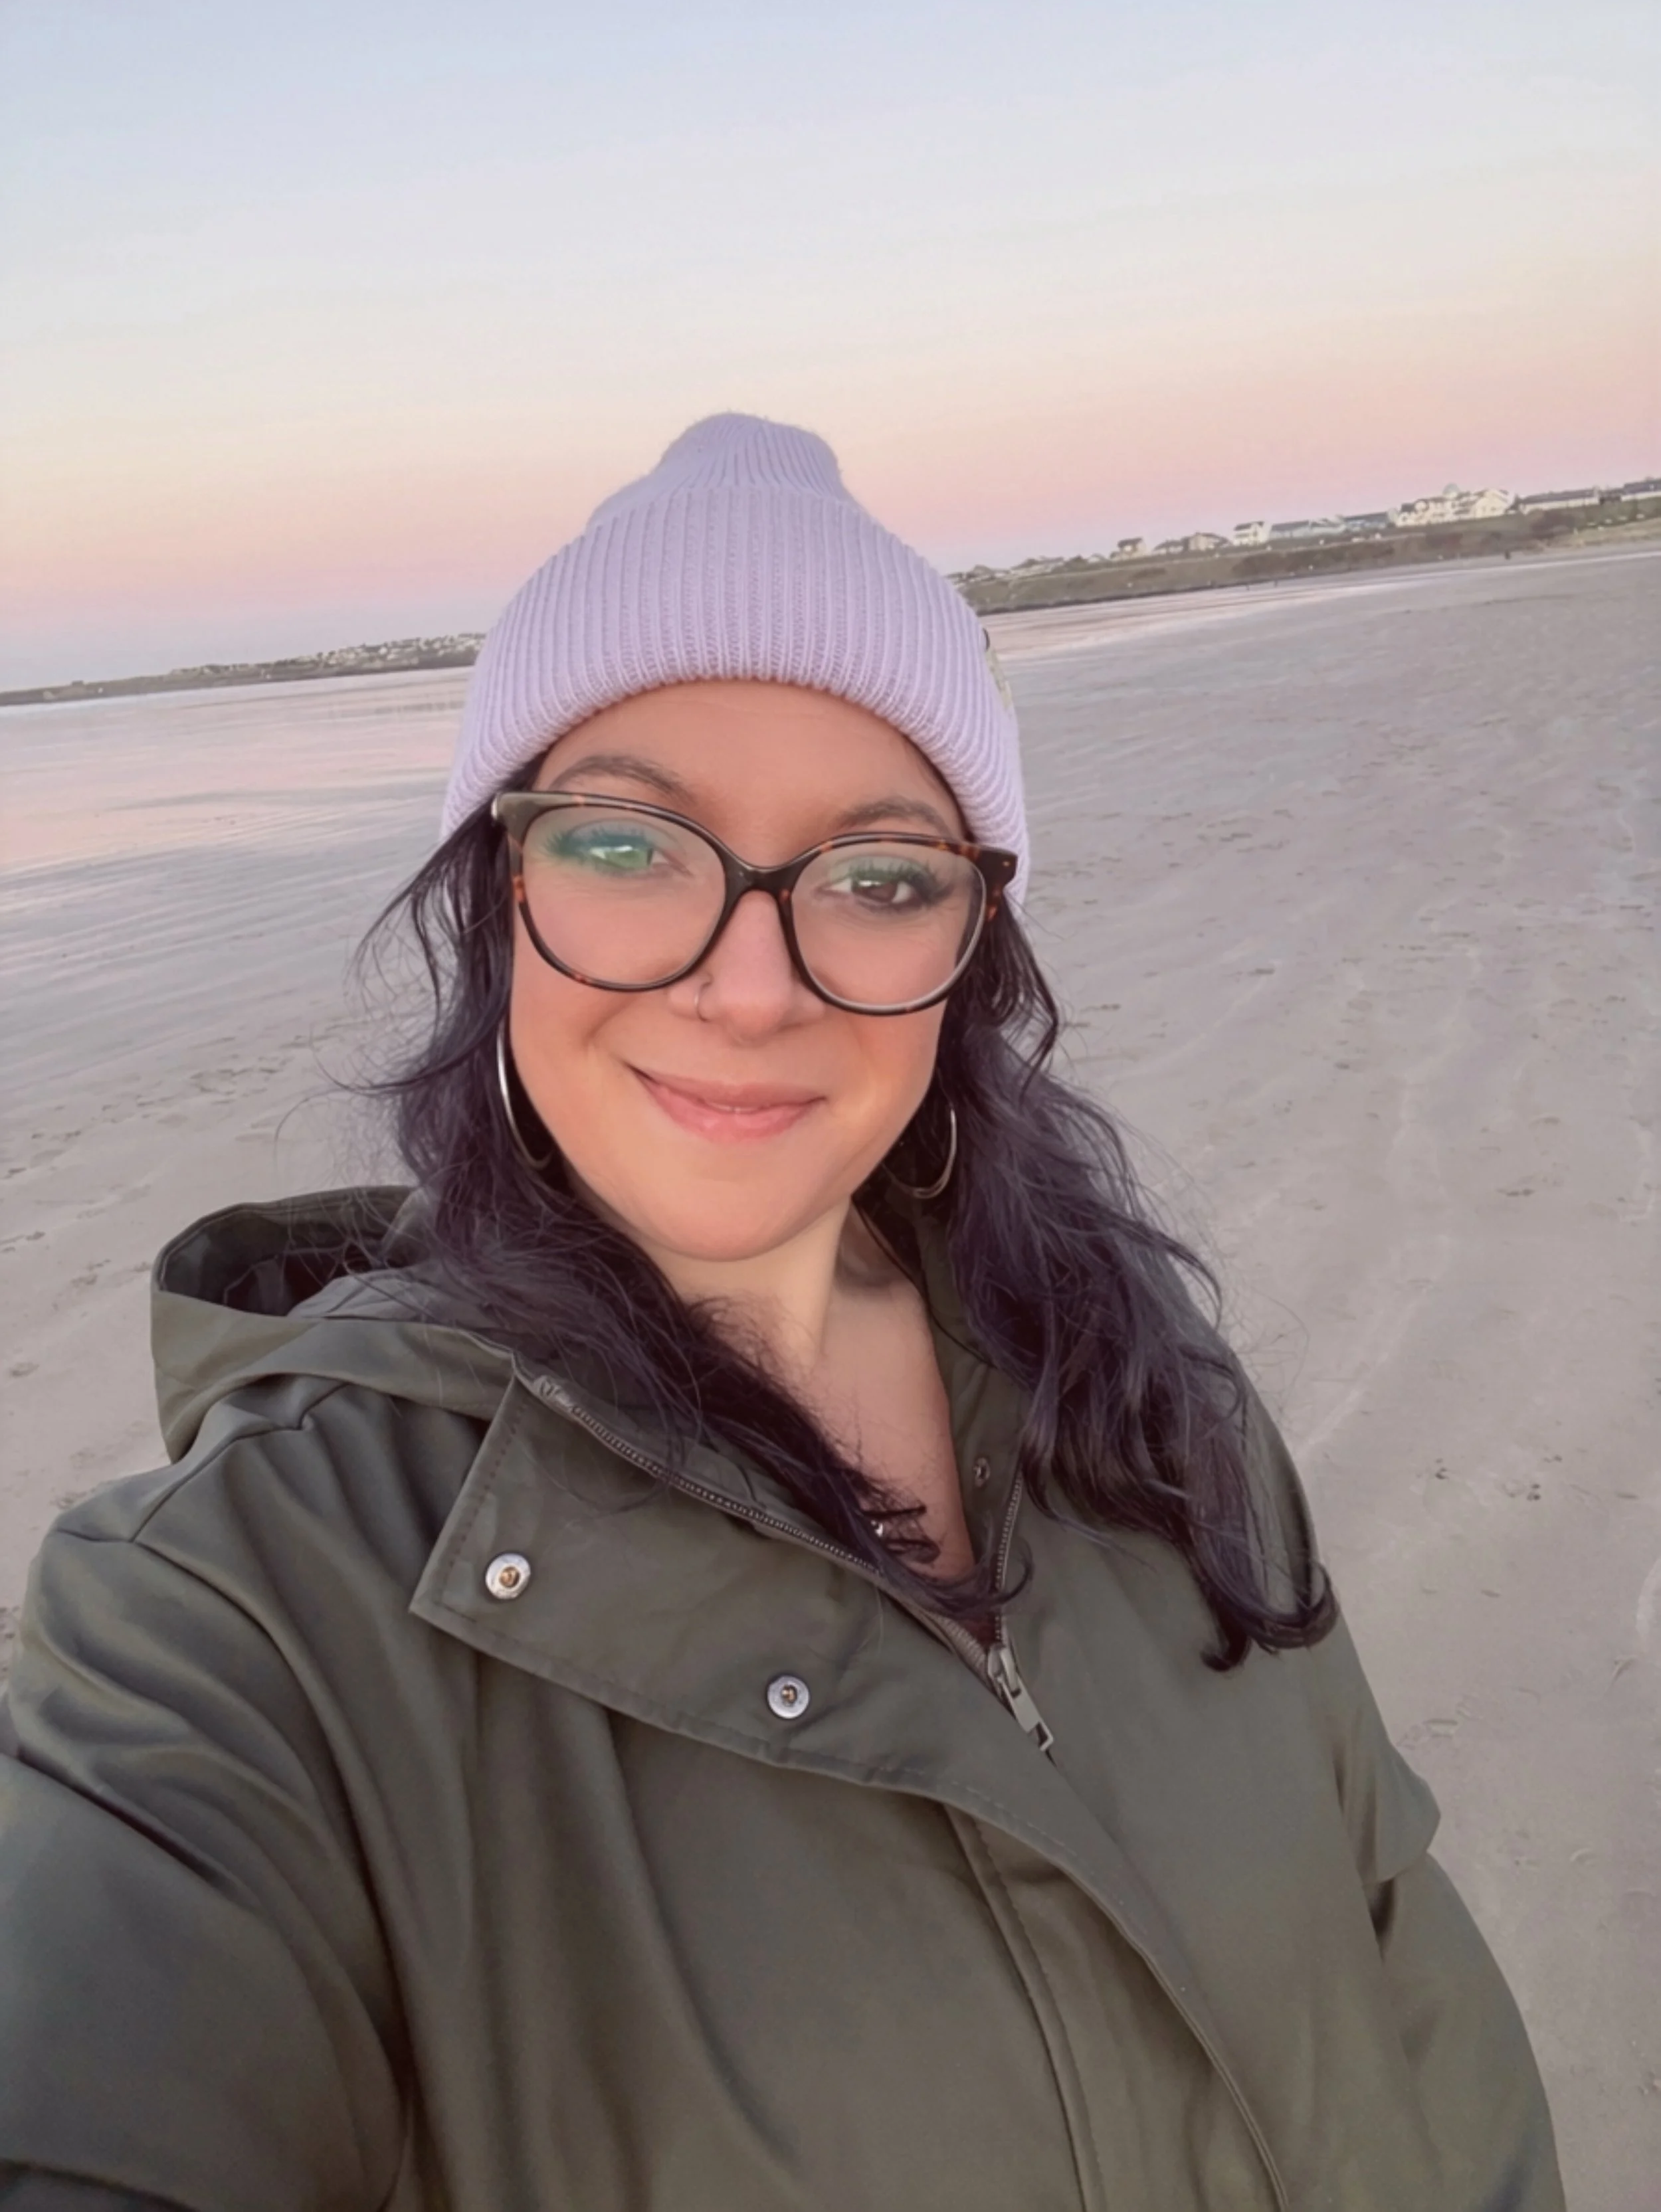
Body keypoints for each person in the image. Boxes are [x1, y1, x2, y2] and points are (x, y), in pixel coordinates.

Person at [0, 415, 1562, 2211]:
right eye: (625, 845)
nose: (749, 985)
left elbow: (1407, 1995)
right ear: (495, 897)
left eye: (881, 877)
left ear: (971, 947)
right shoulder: (239, 1600)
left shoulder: (1151, 1404)